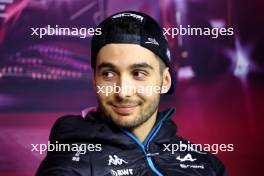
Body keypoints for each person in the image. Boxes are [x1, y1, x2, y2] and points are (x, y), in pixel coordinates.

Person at [36, 11, 227, 176]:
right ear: (95, 80)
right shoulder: (68, 165)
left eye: (139, 73)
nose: (123, 91)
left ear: (165, 81)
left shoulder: (207, 164)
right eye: (108, 74)